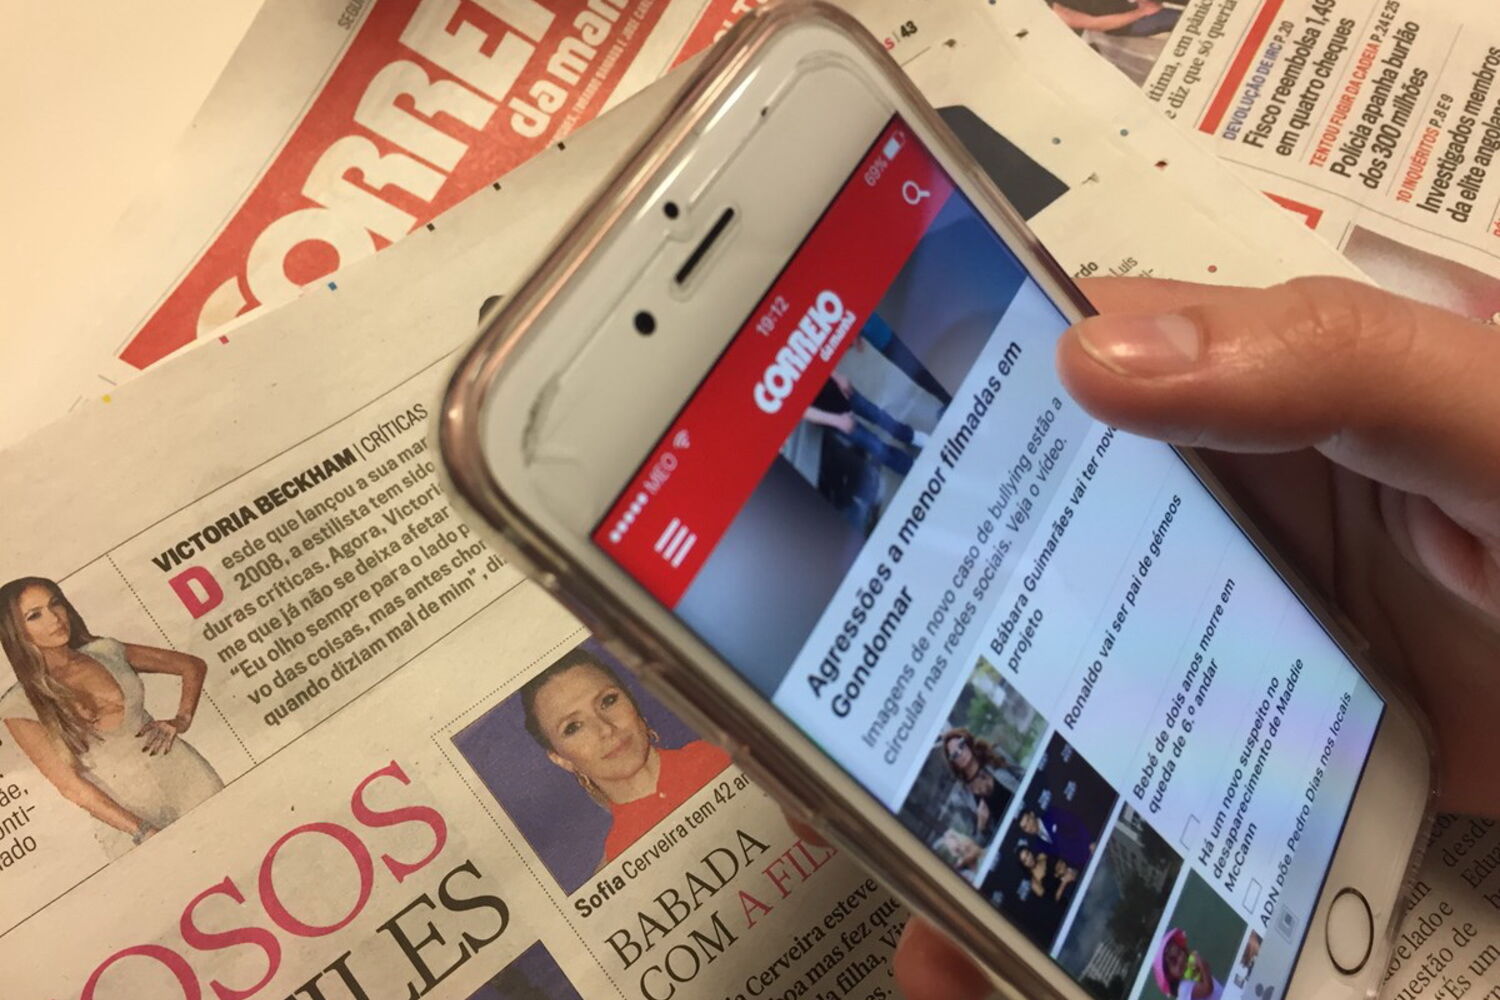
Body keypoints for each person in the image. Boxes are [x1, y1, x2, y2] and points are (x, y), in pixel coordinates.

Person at [849, 277, 1500, 999]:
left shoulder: (1006, 765)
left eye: (960, 747)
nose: (962, 753)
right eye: (957, 753)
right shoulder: (977, 800)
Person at [0, 577, 223, 858]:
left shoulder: (106, 651)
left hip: (189, 778)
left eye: (55, 604)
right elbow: (70, 786)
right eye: (35, 615)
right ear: (16, 632)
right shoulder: (17, 704)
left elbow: (191, 665)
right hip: (125, 817)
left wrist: (182, 719)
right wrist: (141, 830)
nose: (54, 618)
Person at [521, 648, 730, 869]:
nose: (606, 729)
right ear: (561, 759)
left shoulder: (726, 752)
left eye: (608, 700)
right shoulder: (617, 867)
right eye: (573, 727)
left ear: (631, 701)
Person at [804, 371, 930, 477]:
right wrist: (836, 420)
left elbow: (819, 357)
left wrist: (836, 376)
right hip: (826, 413)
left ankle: (910, 436)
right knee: (875, 446)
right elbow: (800, 409)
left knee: (879, 416)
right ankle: (910, 466)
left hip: (836, 389)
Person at [941, 728, 1021, 837]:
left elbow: (1022, 774)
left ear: (967, 742)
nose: (960, 753)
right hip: (1011, 837)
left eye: (961, 746)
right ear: (953, 763)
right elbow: (977, 841)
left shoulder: (993, 754)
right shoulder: (960, 797)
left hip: (1029, 812)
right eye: (954, 755)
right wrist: (981, 825)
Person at [1154, 928, 1222, 1000]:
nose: (1180, 960)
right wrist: (1203, 965)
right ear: (1169, 976)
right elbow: (1208, 990)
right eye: (1174, 962)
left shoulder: (1193, 970)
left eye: (1179, 952)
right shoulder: (1183, 988)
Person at [1049, 0, 1181, 37]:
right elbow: (1095, 24)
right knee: (1178, 19)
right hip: (1128, 19)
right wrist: (1142, 12)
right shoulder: (1051, 9)